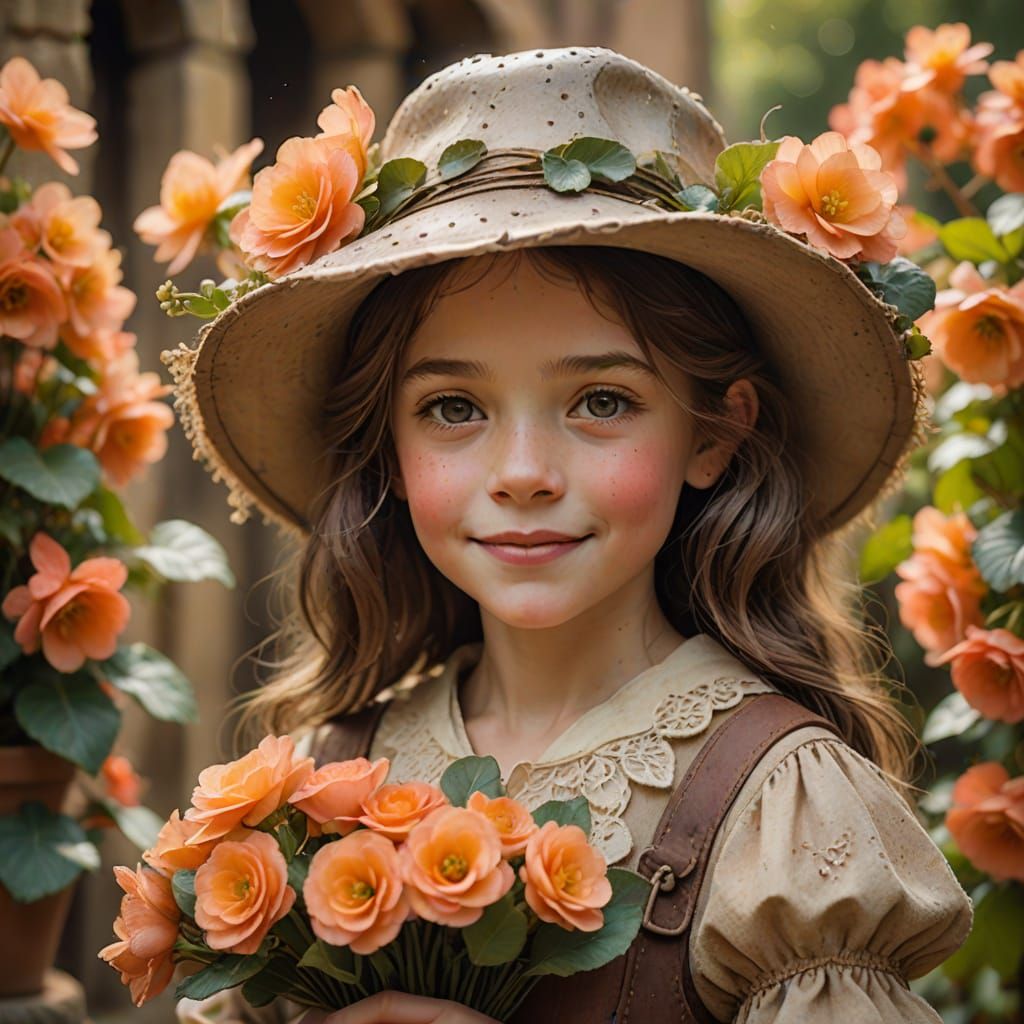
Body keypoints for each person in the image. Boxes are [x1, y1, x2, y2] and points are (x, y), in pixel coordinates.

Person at [168, 47, 972, 1024]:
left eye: (600, 399)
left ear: (715, 434)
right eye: (453, 406)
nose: (520, 472)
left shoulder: (779, 803)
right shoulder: (327, 781)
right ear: (386, 446)